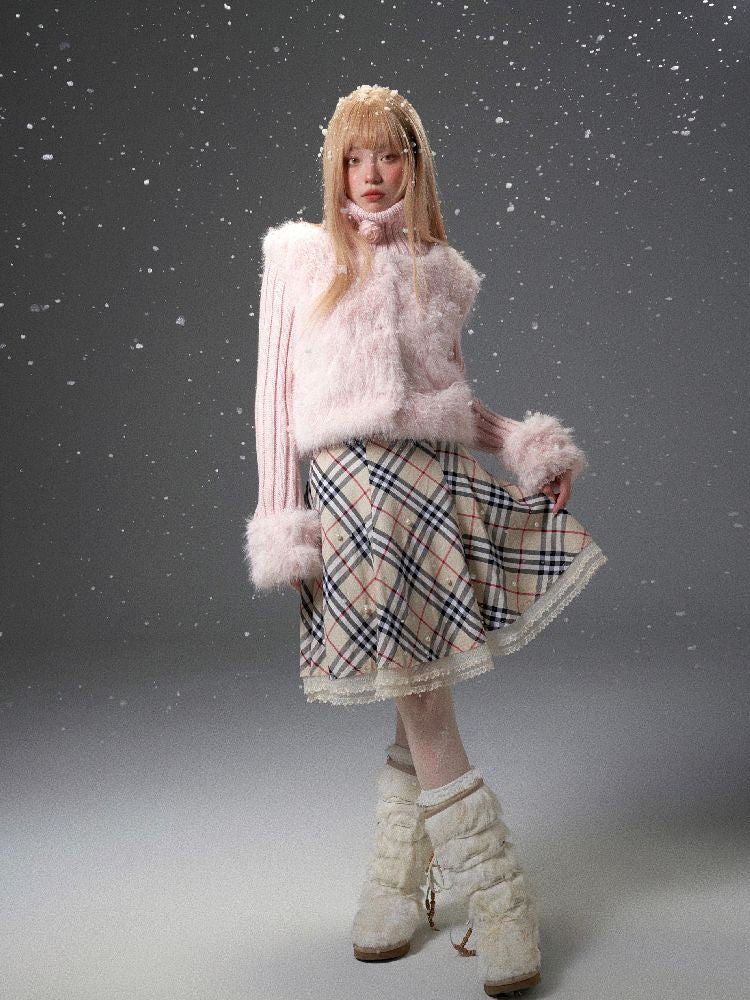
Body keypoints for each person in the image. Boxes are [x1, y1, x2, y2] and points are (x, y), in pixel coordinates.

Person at [244, 84, 607, 997]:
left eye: (389, 154)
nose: (371, 174)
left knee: (420, 698)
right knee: (422, 699)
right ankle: (490, 895)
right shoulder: (296, 258)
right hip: (348, 500)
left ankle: (415, 888)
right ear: (335, 166)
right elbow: (274, 401)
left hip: (426, 490)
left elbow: (449, 402)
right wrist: (284, 520)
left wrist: (523, 445)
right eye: (354, 157)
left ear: (414, 164)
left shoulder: (440, 269)